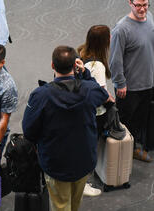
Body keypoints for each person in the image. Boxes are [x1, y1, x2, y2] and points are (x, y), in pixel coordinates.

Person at [22, 46, 109, 211]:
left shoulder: (40, 95)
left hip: (56, 163)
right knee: (75, 204)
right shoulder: (89, 90)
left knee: (60, 206)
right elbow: (103, 95)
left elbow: (29, 130)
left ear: (52, 66)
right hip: (83, 161)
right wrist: (85, 74)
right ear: (75, 66)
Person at [109, 0, 154, 162]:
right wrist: (120, 83)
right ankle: (120, 155)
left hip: (148, 83)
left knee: (141, 119)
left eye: (145, 5)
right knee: (125, 122)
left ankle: (135, 148)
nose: (142, 9)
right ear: (130, 3)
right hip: (129, 88)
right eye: (138, 5)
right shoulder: (122, 29)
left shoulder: (149, 17)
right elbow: (115, 60)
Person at [78, 24, 115, 197]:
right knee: (90, 148)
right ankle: (83, 183)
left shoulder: (81, 53)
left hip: (81, 110)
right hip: (95, 114)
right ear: (104, 41)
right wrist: (110, 99)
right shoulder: (97, 65)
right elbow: (101, 94)